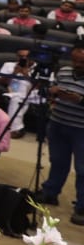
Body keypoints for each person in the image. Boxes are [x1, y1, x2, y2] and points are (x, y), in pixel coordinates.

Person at [36, 46, 84, 226]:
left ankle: (82, 206)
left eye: (82, 62)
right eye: (75, 61)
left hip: (81, 129)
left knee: (83, 169)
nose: (77, 65)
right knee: (57, 161)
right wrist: (52, 91)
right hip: (58, 123)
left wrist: (79, 100)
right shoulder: (64, 71)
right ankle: (50, 192)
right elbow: (49, 90)